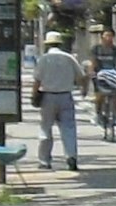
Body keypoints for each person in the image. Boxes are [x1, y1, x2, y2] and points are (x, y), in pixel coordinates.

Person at [32, 37, 83, 169]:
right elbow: (80, 76)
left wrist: (34, 95)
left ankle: (44, 160)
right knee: (68, 128)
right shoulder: (69, 57)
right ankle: (71, 156)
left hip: (48, 97)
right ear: (60, 43)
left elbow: (37, 80)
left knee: (46, 128)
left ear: (47, 45)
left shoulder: (43, 59)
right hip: (66, 96)